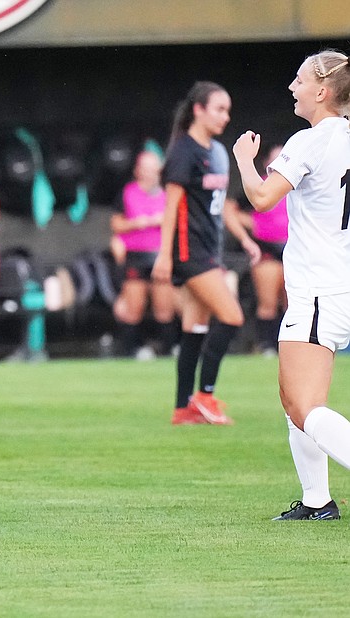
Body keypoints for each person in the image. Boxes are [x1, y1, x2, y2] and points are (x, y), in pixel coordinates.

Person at [233, 49, 350, 521]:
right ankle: (317, 500)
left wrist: (245, 159)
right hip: (337, 283)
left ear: (322, 92)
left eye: (299, 80)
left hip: (320, 289)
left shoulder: (309, 140)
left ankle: (318, 498)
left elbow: (262, 198)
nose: (292, 87)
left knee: (301, 405)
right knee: (297, 401)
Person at [152, 82, 260, 425]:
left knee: (195, 327)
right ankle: (205, 396)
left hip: (209, 249)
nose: (225, 117)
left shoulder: (216, 151)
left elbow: (222, 206)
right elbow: (171, 207)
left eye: (228, 110)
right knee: (231, 316)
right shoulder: (183, 152)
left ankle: (183, 409)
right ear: (198, 109)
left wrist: (243, 238)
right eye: (219, 109)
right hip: (190, 251)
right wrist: (164, 256)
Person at [110, 150, 178, 359]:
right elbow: (115, 224)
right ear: (137, 170)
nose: (150, 173)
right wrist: (135, 223)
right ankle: (131, 350)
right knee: (134, 306)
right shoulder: (127, 193)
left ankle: (170, 348)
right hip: (135, 257)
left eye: (154, 168)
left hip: (160, 255)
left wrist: (163, 220)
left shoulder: (169, 194)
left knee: (164, 305)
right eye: (146, 169)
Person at [228, 145, 289, 356]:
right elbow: (229, 208)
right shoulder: (259, 184)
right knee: (268, 302)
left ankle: (289, 345)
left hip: (293, 247)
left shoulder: (296, 183)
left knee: (293, 302)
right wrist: (252, 225)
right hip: (268, 249)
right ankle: (266, 345)